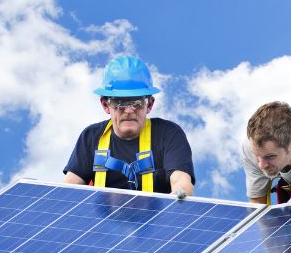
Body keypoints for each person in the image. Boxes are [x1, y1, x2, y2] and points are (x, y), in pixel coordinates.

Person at [63, 55, 195, 197]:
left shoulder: (168, 134)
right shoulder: (91, 137)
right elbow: (70, 188)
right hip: (103, 218)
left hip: (157, 218)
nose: (129, 110)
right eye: (120, 103)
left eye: (137, 102)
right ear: (106, 105)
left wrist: (180, 195)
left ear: (149, 105)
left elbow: (180, 179)